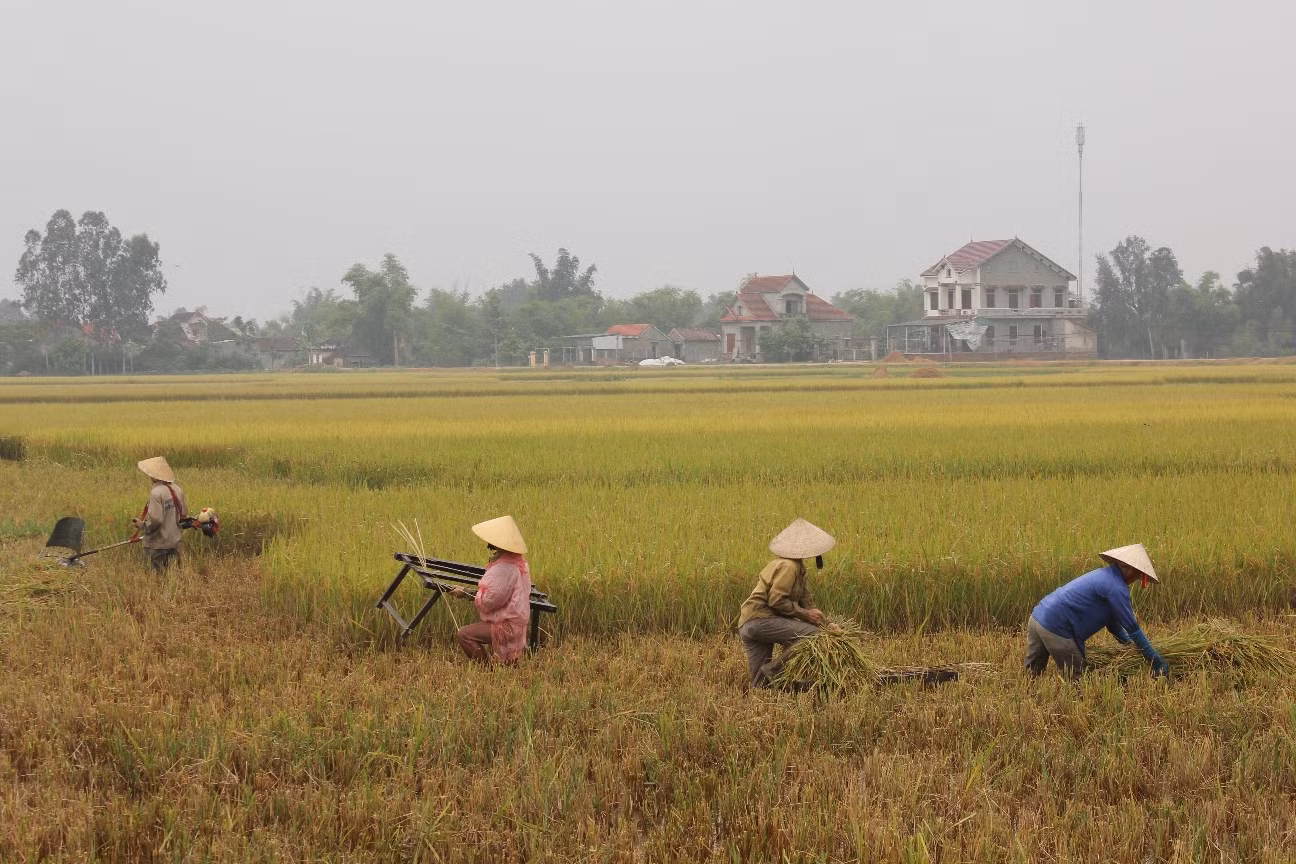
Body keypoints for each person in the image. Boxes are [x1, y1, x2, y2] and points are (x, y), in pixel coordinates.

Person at [1025, 543, 1169, 680]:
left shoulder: (1103, 575)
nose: (1137, 579)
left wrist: (1129, 645)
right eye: (1139, 575)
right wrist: (1154, 660)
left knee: (1032, 676)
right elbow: (1132, 627)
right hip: (1056, 629)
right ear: (1130, 569)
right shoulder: (1116, 587)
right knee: (1078, 680)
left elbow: (1114, 626)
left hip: (1037, 618)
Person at [737, 518, 836, 688]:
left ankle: (774, 694)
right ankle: (776, 671)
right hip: (761, 620)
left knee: (760, 685)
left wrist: (828, 625)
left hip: (748, 623)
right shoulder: (789, 566)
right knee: (813, 635)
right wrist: (806, 616)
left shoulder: (798, 568)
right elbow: (776, 601)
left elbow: (808, 604)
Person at [449, 515, 533, 663]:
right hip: (517, 623)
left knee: (464, 634)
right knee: (509, 665)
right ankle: (505, 671)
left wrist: (465, 593)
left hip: (508, 625)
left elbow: (490, 600)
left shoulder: (505, 567)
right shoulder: (519, 562)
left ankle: (487, 671)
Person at [132, 456, 188, 573]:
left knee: (156, 579)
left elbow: (156, 520)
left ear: (154, 476)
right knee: (173, 578)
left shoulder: (156, 493)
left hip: (157, 545)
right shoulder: (178, 490)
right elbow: (183, 514)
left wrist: (142, 525)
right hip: (174, 542)